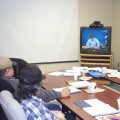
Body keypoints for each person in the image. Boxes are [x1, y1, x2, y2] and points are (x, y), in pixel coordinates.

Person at [0, 57, 70, 111]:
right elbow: (41, 95)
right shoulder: (15, 83)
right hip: (28, 108)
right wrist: (61, 93)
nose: (13, 69)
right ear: (7, 71)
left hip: (19, 108)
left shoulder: (2, 82)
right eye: (12, 67)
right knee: (55, 106)